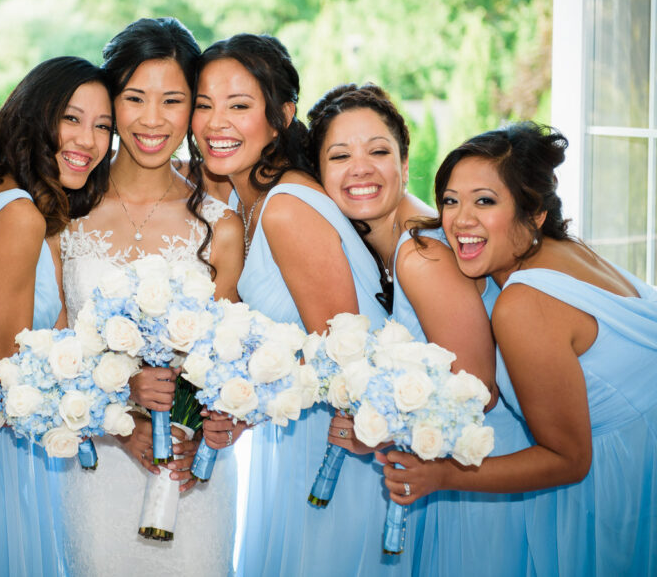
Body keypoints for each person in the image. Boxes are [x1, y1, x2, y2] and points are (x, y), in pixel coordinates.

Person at [383, 122, 657, 577]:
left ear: (534, 213)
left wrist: (442, 475)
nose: (460, 220)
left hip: (618, 482)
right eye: (450, 200)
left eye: (485, 201)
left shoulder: (524, 304)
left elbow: (568, 460)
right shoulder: (567, 250)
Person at [307, 83, 532, 575]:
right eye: (340, 155)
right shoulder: (396, 248)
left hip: (485, 467)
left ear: (405, 164)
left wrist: (377, 427)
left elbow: (477, 389)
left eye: (378, 151)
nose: (360, 168)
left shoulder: (421, 253)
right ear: (319, 175)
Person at [191, 34, 394, 575]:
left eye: (239, 106)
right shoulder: (245, 198)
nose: (216, 123)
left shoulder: (285, 207)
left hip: (337, 448)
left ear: (281, 116)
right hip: (296, 435)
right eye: (204, 105)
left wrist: (246, 404)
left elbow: (342, 360)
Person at [58, 17, 244, 576]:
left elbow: (230, 359)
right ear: (111, 101)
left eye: (173, 100)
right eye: (135, 98)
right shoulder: (64, 216)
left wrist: (220, 422)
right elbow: (49, 349)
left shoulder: (220, 226)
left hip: (186, 472)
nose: (152, 119)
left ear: (193, 109)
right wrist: (118, 416)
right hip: (96, 464)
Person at [0, 55, 114, 576]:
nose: (88, 140)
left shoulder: (9, 200)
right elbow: (10, 365)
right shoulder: (18, 215)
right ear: (34, 115)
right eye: (72, 118)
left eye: (103, 126)